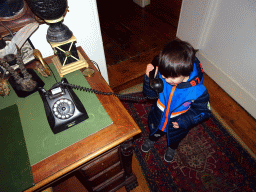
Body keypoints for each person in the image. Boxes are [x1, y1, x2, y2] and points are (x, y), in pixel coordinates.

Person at [142, 39, 211, 162]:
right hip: (159, 114)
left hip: (178, 121)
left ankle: (172, 147)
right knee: (155, 130)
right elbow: (149, 95)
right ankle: (152, 138)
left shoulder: (198, 91)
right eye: (164, 75)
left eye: (172, 77)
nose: (166, 79)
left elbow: (203, 111)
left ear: (186, 72)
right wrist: (149, 79)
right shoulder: (165, 72)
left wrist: (185, 121)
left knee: (175, 137)